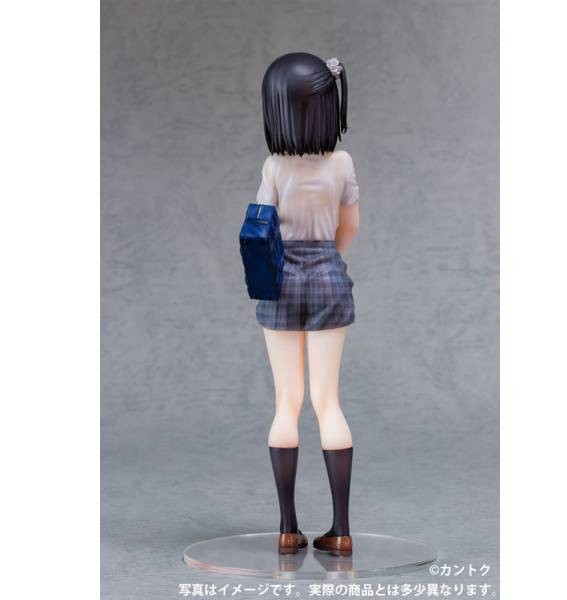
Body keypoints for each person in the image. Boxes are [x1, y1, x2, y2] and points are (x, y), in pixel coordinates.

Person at [255, 52, 360, 557]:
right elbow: (351, 227)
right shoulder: (342, 163)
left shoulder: (275, 166)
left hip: (280, 281)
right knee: (328, 401)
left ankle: (287, 527)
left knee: (286, 402)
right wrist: (326, 260)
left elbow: (261, 227)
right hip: (329, 279)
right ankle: (341, 530)